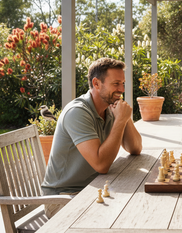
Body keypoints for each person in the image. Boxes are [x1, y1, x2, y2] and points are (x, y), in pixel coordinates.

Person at [41, 57, 142, 218]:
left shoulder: (110, 108)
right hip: (63, 198)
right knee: (125, 216)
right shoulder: (78, 112)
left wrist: (124, 118)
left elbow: (135, 148)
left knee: (137, 208)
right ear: (96, 83)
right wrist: (120, 120)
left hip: (93, 189)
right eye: (116, 83)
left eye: (123, 83)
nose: (122, 89)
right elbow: (101, 165)